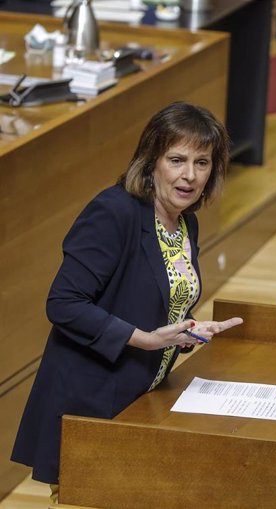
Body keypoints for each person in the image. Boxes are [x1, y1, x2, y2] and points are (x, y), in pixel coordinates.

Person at [10, 102, 243, 500]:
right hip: (92, 401)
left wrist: (187, 328)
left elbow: (159, 297)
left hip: (141, 398)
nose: (189, 175)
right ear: (151, 160)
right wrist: (146, 339)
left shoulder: (186, 221)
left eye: (202, 163)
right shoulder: (114, 211)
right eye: (177, 160)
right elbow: (64, 303)